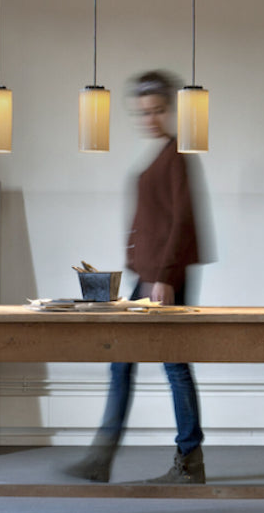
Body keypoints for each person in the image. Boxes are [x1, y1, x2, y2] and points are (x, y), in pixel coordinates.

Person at [67, 70, 207, 485]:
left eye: (157, 110)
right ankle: (104, 457)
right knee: (123, 362)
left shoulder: (177, 155)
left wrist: (164, 277)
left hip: (163, 279)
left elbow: (182, 221)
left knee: (173, 364)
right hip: (149, 276)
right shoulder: (163, 154)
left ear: (169, 109)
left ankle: (188, 461)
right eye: (143, 112)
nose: (149, 119)